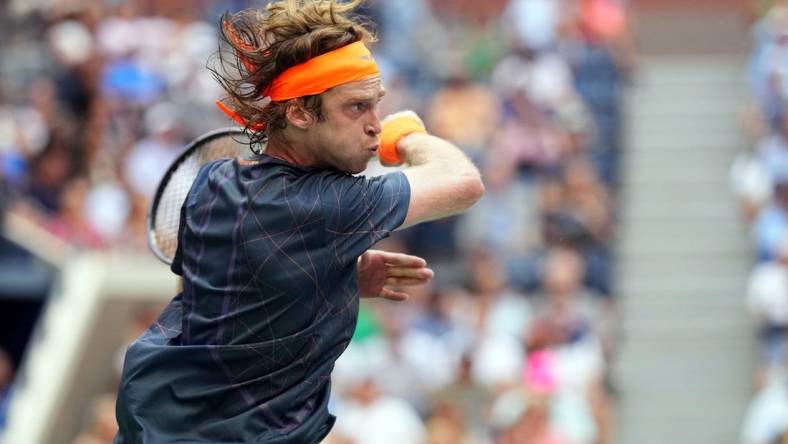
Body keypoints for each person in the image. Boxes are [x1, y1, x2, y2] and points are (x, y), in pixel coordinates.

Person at [114, 1, 484, 443]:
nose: (374, 124)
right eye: (357, 108)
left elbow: (205, 301)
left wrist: (329, 276)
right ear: (300, 113)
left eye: (378, 107)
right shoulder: (329, 204)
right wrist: (407, 137)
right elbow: (463, 182)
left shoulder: (215, 180)